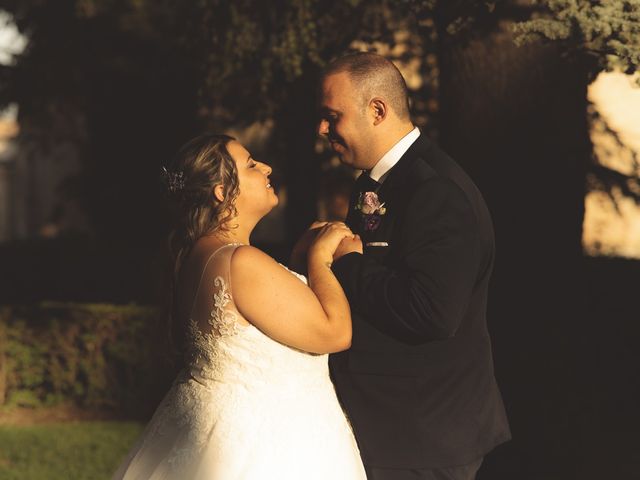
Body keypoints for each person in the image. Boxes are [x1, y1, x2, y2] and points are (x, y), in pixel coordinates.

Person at [112, 134, 367, 480]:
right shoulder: (240, 261)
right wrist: (320, 259)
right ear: (221, 191)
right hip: (274, 447)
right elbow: (335, 333)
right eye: (250, 164)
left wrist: (297, 261)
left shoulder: (195, 254)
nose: (266, 167)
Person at [313, 52, 511, 480]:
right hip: (391, 424)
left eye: (333, 117)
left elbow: (432, 313)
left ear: (377, 110)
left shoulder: (435, 189)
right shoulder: (378, 181)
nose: (322, 129)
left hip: (424, 435)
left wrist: (346, 264)